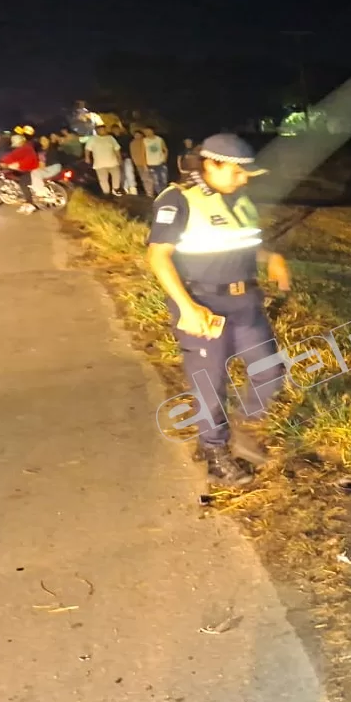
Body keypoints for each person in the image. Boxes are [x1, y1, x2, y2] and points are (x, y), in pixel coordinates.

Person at [145, 133, 292, 488]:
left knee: (270, 371)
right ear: (211, 165)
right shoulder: (179, 199)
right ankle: (214, 451)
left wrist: (270, 257)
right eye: (237, 172)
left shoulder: (240, 200)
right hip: (204, 304)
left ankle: (243, 428)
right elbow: (158, 255)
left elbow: (240, 245)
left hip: (245, 302)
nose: (243, 180)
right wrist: (187, 307)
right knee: (210, 383)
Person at [0, 134, 40, 214]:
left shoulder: (27, 148)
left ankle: (30, 204)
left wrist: (15, 164)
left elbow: (26, 160)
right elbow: (13, 156)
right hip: (27, 169)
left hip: (32, 170)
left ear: (21, 142)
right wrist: (2, 161)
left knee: (23, 184)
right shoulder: (24, 147)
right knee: (14, 175)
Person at [84, 125, 123, 196]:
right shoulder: (92, 139)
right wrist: (87, 157)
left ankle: (115, 190)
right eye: (101, 129)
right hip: (100, 164)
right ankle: (106, 193)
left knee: (116, 176)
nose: (103, 131)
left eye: (104, 129)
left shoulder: (110, 138)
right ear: (97, 131)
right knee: (103, 180)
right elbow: (87, 149)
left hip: (113, 162)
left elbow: (117, 148)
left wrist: (119, 158)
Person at [30, 136, 63, 203]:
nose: (43, 142)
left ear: (49, 140)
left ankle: (41, 193)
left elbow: (42, 165)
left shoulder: (48, 149)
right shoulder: (43, 150)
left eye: (45, 140)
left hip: (53, 167)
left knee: (35, 173)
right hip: (54, 167)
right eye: (42, 140)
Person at [142, 127, 170, 193]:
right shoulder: (144, 140)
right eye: (145, 132)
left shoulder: (159, 139)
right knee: (156, 181)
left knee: (164, 179)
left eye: (148, 131)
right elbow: (143, 153)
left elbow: (165, 149)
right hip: (151, 164)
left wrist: (165, 159)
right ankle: (160, 194)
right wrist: (144, 165)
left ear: (152, 131)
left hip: (160, 162)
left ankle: (165, 193)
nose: (147, 133)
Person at [130, 130, 153, 197]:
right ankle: (149, 192)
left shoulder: (144, 141)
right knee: (144, 178)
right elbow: (132, 153)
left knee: (149, 178)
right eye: (135, 135)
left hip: (147, 162)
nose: (137, 136)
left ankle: (151, 192)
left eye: (138, 135)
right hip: (138, 163)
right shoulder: (132, 143)